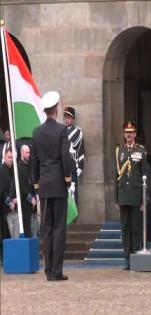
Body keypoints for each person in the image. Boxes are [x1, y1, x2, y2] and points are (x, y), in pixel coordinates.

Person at [32, 91, 75, 281]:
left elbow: (34, 161)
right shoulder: (61, 130)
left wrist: (36, 184)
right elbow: (66, 157)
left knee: (47, 228)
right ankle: (57, 270)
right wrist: (67, 178)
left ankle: (48, 268)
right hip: (58, 184)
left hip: (44, 185)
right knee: (59, 228)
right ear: (56, 109)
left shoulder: (37, 132)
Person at [114, 121, 149, 270]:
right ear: (124, 134)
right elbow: (116, 176)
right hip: (123, 194)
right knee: (125, 228)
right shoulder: (119, 151)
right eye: (127, 132)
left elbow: (145, 175)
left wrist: (144, 198)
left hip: (135, 194)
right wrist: (116, 198)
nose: (129, 135)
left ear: (135, 134)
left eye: (131, 132)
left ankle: (136, 257)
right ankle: (127, 259)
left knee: (136, 228)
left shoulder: (141, 151)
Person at [10, 145, 37, 237]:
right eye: (27, 152)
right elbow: (21, 186)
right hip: (23, 202)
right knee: (26, 227)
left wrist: (35, 195)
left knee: (30, 226)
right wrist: (31, 198)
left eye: (29, 152)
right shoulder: (19, 167)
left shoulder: (28, 165)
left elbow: (31, 182)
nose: (29, 154)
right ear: (21, 153)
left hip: (29, 202)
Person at [63, 106, 85, 205]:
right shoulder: (61, 131)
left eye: (69, 118)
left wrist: (80, 167)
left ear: (73, 119)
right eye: (66, 118)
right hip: (62, 167)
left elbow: (80, 150)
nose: (66, 120)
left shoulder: (77, 132)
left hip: (73, 166)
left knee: (72, 192)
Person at [0, 148, 13, 263]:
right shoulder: (1, 170)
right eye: (9, 157)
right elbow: (2, 189)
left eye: (13, 157)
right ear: (4, 157)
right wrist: (9, 201)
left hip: (12, 207)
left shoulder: (13, 170)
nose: (11, 160)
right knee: (3, 233)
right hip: (3, 208)